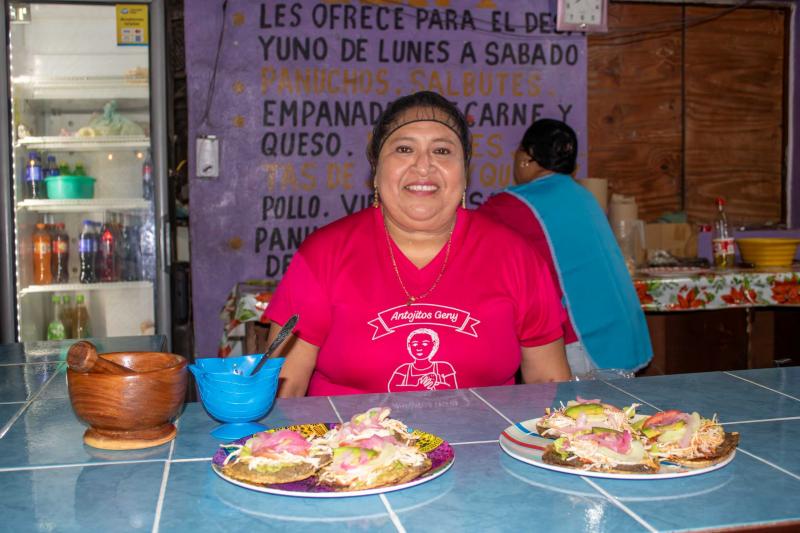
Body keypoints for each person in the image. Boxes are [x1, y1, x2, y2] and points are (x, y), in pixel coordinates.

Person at [263, 91, 572, 397]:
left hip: (483, 445)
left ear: (464, 171)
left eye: (441, 151)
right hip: (350, 444)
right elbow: (283, 392)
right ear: (376, 168)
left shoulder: (516, 256)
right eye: (404, 149)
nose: (423, 166)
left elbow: (549, 384)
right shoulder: (323, 254)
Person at [478, 119, 653, 375]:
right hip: (620, 332)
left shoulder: (511, 205)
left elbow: (464, 234)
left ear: (526, 158)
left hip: (578, 340)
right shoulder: (583, 196)